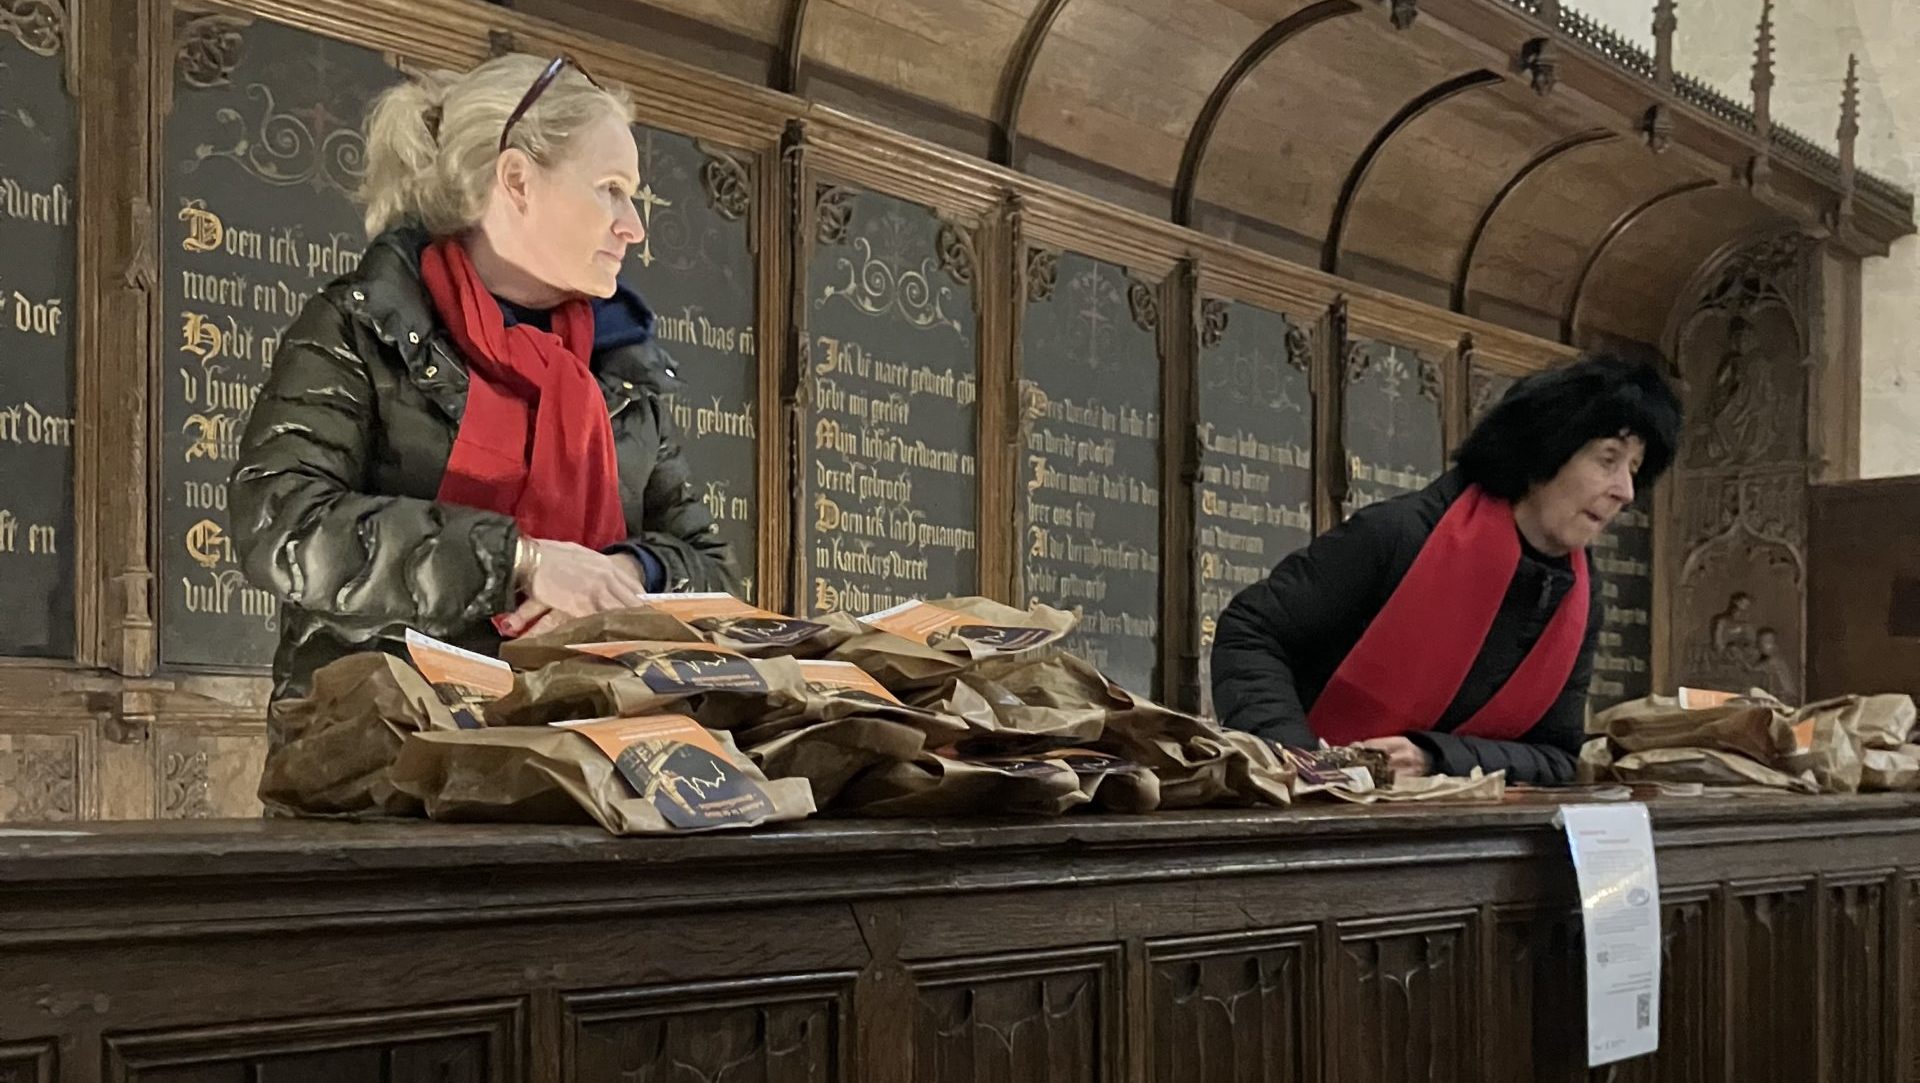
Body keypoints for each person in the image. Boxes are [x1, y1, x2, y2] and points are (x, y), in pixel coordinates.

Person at [232, 53, 733, 718]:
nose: (633, 226)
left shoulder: (620, 367)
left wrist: (622, 573)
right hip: (387, 766)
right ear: (518, 180)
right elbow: (282, 524)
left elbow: (714, 569)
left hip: (589, 752)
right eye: (610, 188)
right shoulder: (362, 326)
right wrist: (522, 560)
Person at [1210, 354, 1682, 785]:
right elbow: (1251, 630)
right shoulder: (1398, 533)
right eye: (1608, 460)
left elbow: (1557, 757)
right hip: (1315, 815)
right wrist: (1303, 764)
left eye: (1635, 469)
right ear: (1547, 451)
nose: (1625, 490)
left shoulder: (1580, 598)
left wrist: (1435, 757)